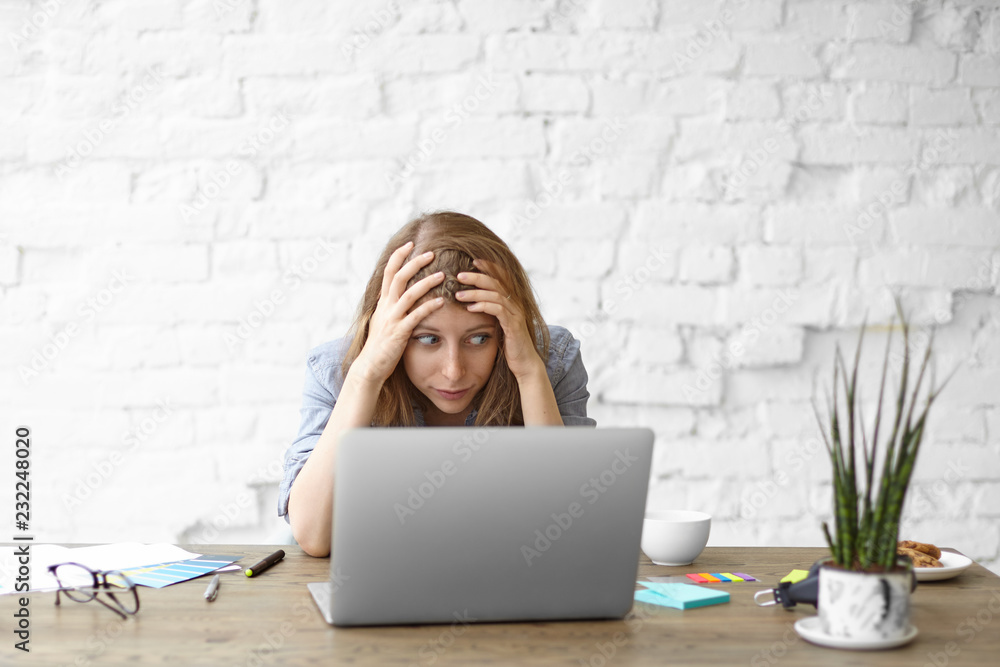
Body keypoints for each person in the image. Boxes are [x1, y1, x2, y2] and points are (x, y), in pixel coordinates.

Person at [278, 211, 596, 556]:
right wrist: (367, 374)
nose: (453, 371)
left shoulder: (550, 362)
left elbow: (571, 529)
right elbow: (312, 536)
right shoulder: (336, 371)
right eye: (428, 340)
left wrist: (528, 372)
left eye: (478, 340)